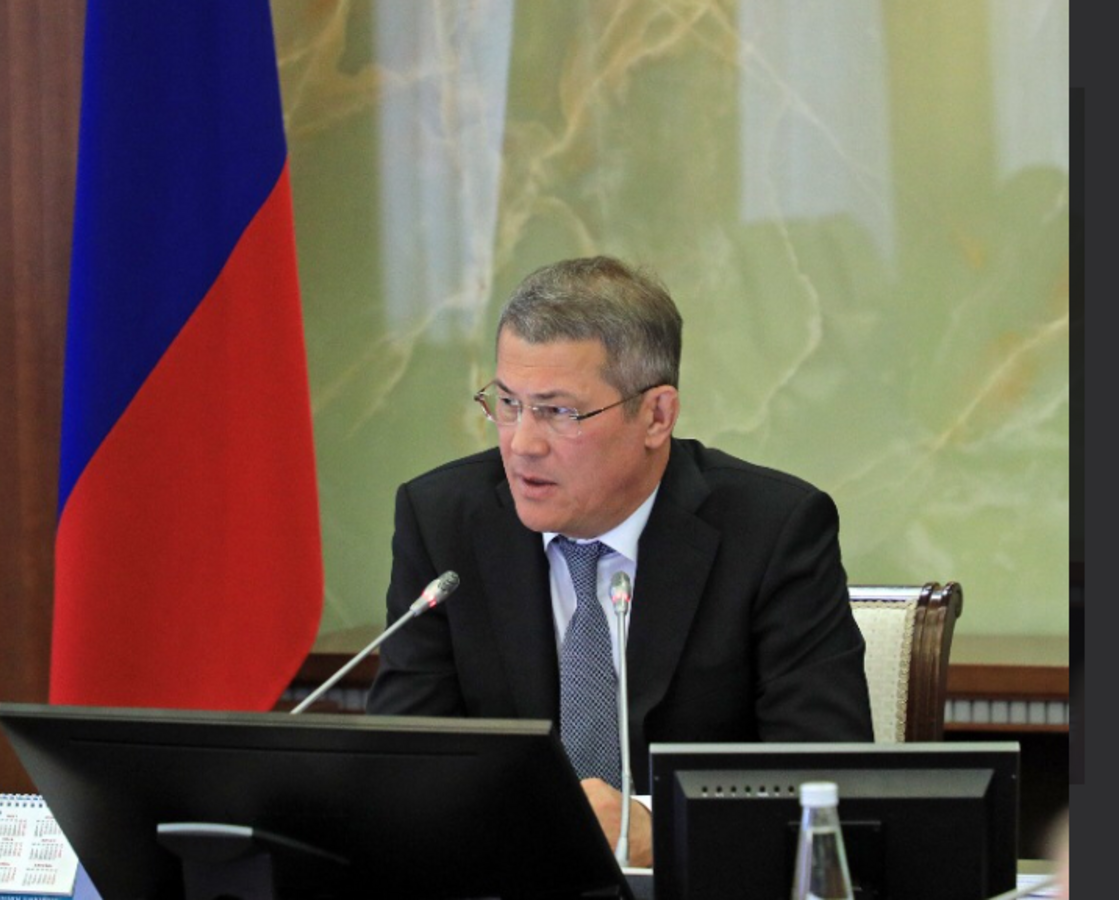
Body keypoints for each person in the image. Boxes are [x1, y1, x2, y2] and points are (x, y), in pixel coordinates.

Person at [366, 256, 874, 866]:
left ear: (656, 415)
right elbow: (405, 771)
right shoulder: (442, 521)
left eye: (559, 412)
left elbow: (827, 786)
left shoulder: (772, 532)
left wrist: (663, 833)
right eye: (507, 403)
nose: (522, 443)